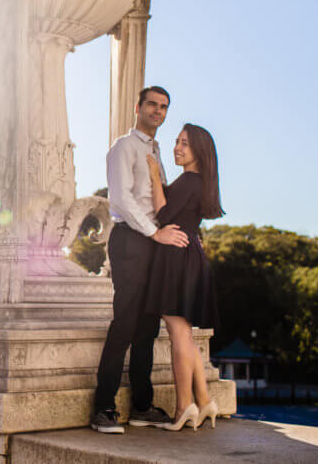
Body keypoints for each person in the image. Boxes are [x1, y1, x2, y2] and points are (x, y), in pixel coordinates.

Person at [91, 86, 190, 433]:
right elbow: (120, 199)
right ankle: (103, 407)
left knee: (149, 327)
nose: (157, 111)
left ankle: (142, 407)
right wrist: (154, 233)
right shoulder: (124, 147)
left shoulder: (157, 151)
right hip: (132, 239)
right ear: (138, 107)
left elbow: (159, 197)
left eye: (163, 107)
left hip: (155, 242)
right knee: (126, 322)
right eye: (152, 104)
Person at [144, 123, 223, 431]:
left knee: (178, 332)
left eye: (184, 144)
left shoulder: (190, 180)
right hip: (189, 255)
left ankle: (183, 407)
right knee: (185, 333)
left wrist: (153, 178)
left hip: (177, 257)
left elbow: (163, 216)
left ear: (199, 151)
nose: (177, 147)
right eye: (177, 141)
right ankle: (203, 402)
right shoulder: (200, 181)